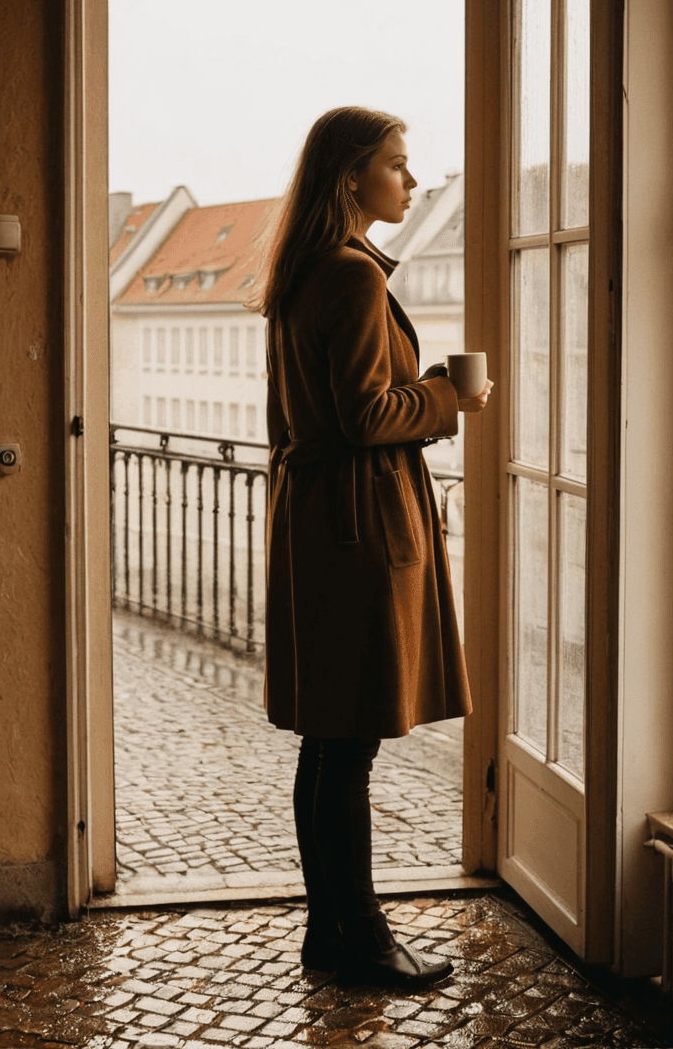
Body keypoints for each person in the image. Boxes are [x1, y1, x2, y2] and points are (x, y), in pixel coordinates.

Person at [254, 106, 492, 988]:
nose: (412, 177)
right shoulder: (351, 276)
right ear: (352, 178)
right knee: (347, 747)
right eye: (396, 163)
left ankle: (333, 935)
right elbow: (365, 415)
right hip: (357, 526)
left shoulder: (301, 271)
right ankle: (362, 940)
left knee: (328, 743)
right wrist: (443, 397)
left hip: (319, 519)